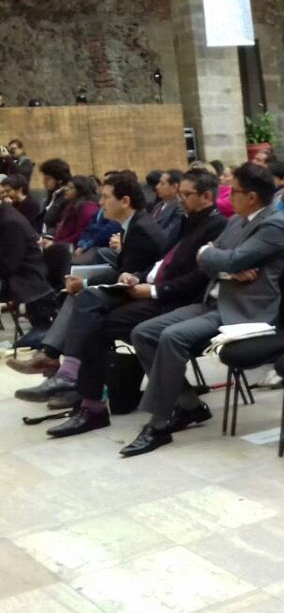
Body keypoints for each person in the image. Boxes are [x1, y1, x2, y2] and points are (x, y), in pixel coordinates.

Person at [118, 163, 284, 457]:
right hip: (213, 301)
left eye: (233, 191)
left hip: (243, 311)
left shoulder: (273, 225)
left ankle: (158, 425)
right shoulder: (237, 221)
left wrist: (222, 260)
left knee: (172, 336)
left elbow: (227, 258)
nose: (228, 196)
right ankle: (189, 405)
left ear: (251, 196)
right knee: (143, 332)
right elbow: (209, 257)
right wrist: (224, 265)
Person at [39, 171, 230, 434]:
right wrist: (136, 277)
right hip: (153, 289)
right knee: (89, 311)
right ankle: (85, 395)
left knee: (94, 322)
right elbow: (163, 262)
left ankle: (87, 399)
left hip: (174, 300)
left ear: (206, 196)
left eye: (186, 194)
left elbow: (199, 277)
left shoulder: (216, 225)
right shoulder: (190, 220)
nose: (180, 199)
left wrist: (154, 290)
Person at [10, 171, 169, 385]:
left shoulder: (141, 230)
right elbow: (123, 269)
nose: (100, 203)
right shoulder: (133, 224)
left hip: (146, 294)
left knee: (85, 302)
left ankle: (63, 371)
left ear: (124, 201)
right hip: (134, 284)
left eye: (105, 197)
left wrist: (85, 283)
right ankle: (56, 365)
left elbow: (127, 275)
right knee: (77, 295)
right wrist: (84, 281)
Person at [0, 200, 56, 335]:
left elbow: (7, 265)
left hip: (24, 278)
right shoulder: (4, 214)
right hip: (13, 273)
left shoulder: (10, 222)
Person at [45, 175, 100, 247]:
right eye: (67, 186)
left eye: (71, 188)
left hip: (73, 248)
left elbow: (80, 235)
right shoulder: (70, 205)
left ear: (80, 191)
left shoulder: (87, 208)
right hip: (61, 244)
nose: (66, 189)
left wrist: (56, 245)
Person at [149, 169, 185, 245]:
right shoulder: (158, 205)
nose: (157, 187)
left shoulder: (180, 208)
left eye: (162, 184)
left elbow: (167, 236)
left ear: (174, 187)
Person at [39, 158, 72, 236]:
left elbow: (61, 226)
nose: (44, 182)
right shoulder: (51, 196)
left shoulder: (66, 198)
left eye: (48, 179)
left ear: (60, 180)